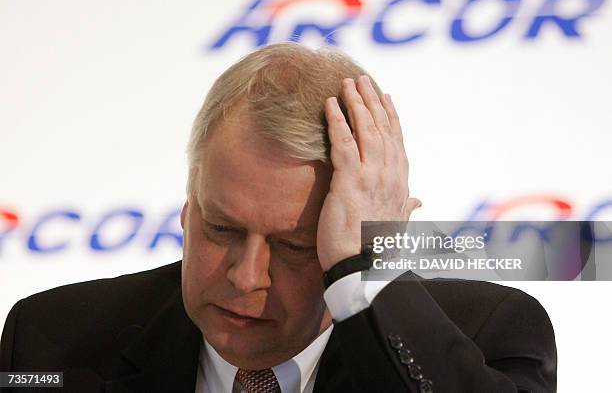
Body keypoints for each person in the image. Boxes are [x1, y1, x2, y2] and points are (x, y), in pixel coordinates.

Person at [0, 43, 556, 393]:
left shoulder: (490, 334)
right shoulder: (52, 341)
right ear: (188, 206)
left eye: (294, 246)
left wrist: (367, 273)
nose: (246, 277)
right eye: (221, 229)